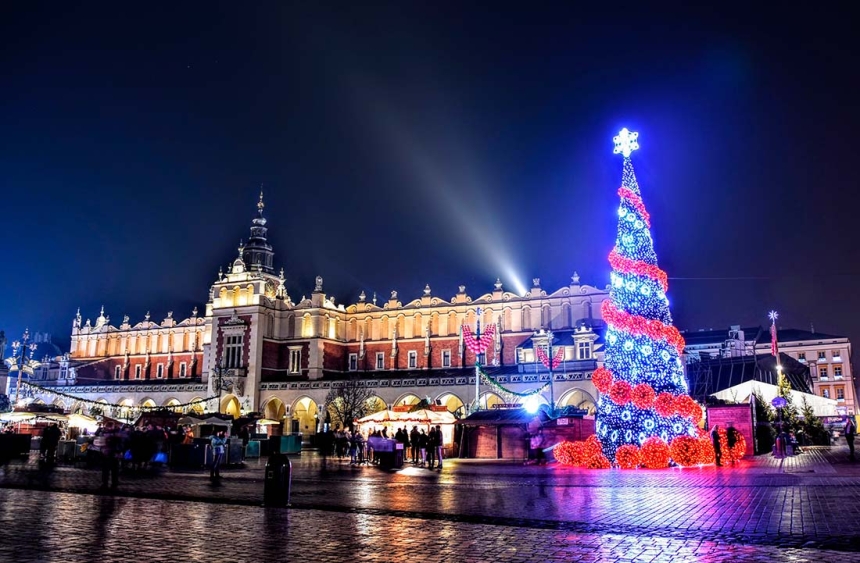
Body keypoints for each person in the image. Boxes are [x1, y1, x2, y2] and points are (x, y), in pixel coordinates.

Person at [100, 422, 122, 489]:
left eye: (110, 426)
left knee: (112, 470)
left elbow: (119, 444)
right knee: (108, 470)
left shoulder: (115, 434)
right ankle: (107, 484)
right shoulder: (106, 433)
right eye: (108, 427)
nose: (109, 428)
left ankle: (111, 484)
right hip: (109, 454)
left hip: (112, 454)